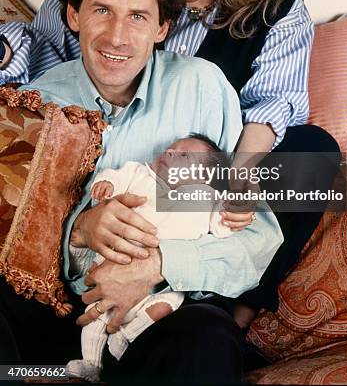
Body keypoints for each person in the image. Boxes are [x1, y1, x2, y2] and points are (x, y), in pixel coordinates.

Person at [1, 0, 339, 362]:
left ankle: (237, 309)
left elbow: (272, 106)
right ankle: (57, 363)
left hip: (212, 165)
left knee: (312, 150)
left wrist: (239, 178)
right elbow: (49, 67)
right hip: (99, 164)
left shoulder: (267, 19)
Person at [0, 0, 283, 384]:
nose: (117, 36)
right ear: (73, 15)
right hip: (60, 317)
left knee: (209, 335)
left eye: (137, 16)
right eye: (101, 10)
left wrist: (158, 265)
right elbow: (15, 239)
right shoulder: (37, 103)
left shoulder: (203, 88)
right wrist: (79, 231)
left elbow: (257, 238)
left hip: (158, 314)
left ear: (162, 27)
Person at [67, 134, 277, 382]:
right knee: (95, 319)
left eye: (184, 155)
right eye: (170, 149)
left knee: (169, 304)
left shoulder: (205, 199)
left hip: (165, 285)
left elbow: (224, 227)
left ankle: (124, 340)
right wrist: (104, 187)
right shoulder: (139, 174)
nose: (170, 153)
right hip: (106, 269)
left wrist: (235, 211)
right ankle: (90, 365)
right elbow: (112, 179)